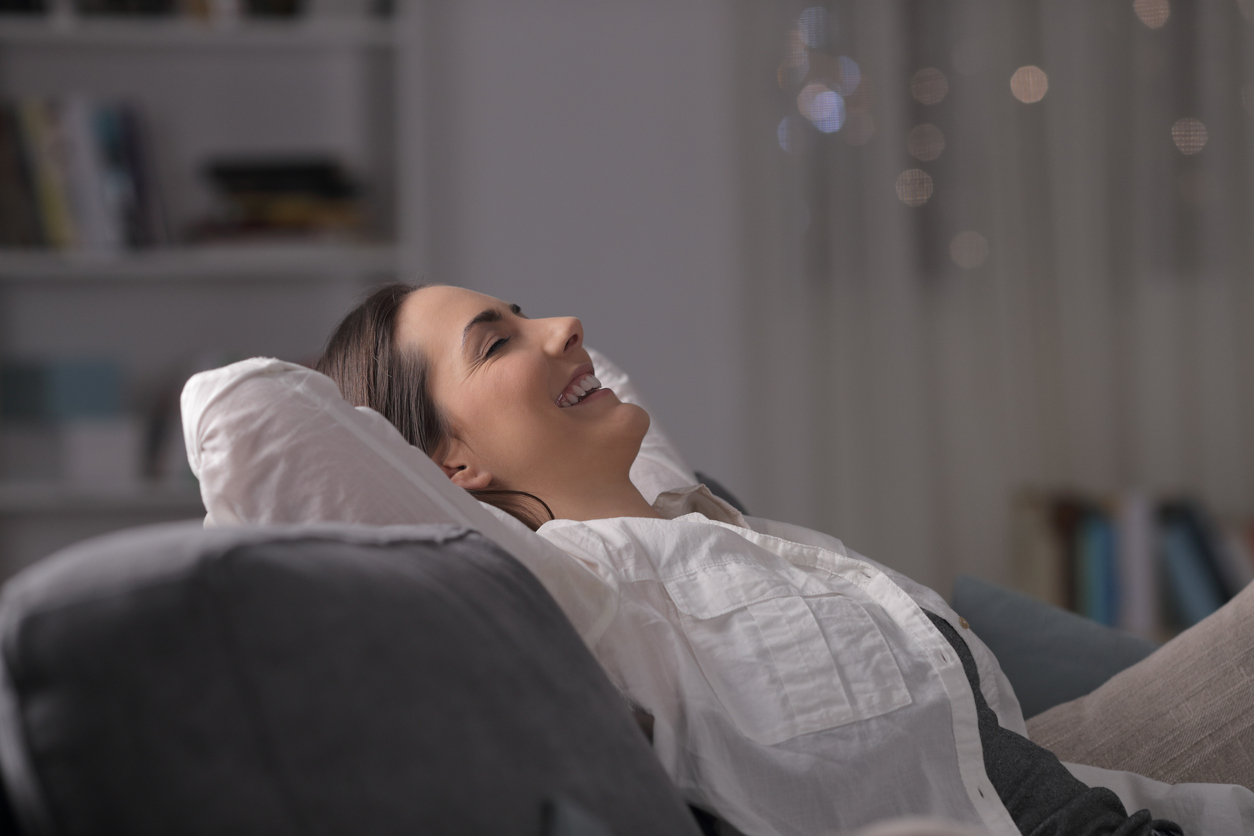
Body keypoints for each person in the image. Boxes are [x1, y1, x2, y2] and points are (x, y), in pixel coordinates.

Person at [316, 282, 1190, 836]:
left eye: (520, 308)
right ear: (452, 465)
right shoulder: (575, 601)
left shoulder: (718, 526)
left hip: (1081, 781)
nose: (564, 325)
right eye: (497, 340)